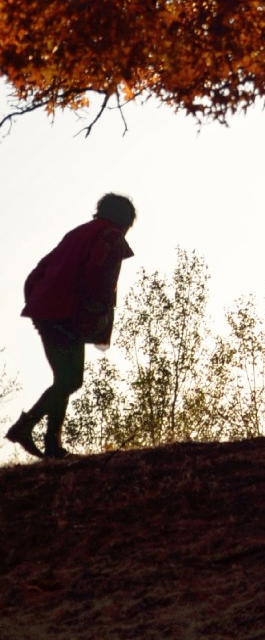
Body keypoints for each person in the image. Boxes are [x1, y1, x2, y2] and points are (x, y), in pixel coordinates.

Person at [6, 193, 137, 460]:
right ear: (123, 221)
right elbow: (98, 277)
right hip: (66, 314)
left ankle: (52, 446)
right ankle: (26, 426)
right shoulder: (110, 237)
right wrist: (94, 312)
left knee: (64, 379)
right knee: (70, 379)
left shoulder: (78, 234)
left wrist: (37, 303)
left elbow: (38, 271)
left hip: (48, 311)